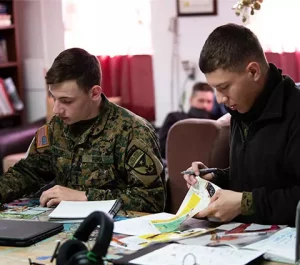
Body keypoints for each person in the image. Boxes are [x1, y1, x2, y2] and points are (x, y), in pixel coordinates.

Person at [0, 48, 166, 213]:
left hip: (115, 229)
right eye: (53, 97)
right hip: (63, 225)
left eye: (66, 101)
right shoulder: (55, 127)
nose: (57, 109)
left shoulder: (133, 131)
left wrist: (85, 197)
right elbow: (28, 171)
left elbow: (152, 200)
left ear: (94, 93)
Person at [184, 23, 300, 226]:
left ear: (253, 71)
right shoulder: (241, 107)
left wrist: (246, 204)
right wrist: (214, 176)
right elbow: (260, 176)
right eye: (215, 89)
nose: (219, 99)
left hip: (286, 241)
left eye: (224, 87)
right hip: (242, 236)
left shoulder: (295, 111)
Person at [159, 82, 214, 159]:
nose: (205, 105)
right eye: (201, 101)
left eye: (209, 102)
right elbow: (162, 148)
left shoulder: (216, 122)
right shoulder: (175, 118)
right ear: (191, 100)